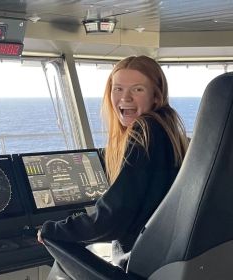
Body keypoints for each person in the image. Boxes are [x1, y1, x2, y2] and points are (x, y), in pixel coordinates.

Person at [37, 55, 189, 279]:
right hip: (162, 257)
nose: (124, 97)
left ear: (156, 97)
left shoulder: (144, 129)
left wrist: (52, 230)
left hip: (141, 263)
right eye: (118, 88)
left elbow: (111, 219)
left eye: (137, 90)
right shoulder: (169, 133)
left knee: (59, 252)